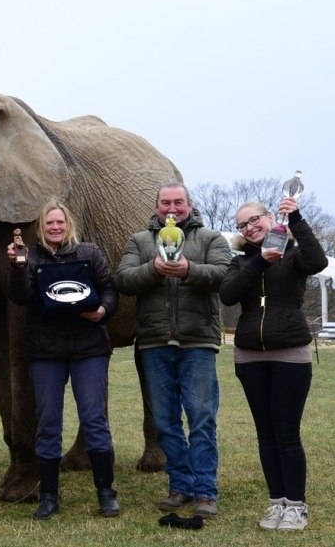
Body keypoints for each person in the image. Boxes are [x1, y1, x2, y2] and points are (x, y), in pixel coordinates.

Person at [114, 182, 231, 519]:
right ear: (156, 207)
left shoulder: (210, 239)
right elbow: (123, 279)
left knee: (201, 419)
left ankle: (206, 490)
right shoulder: (140, 241)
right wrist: (153, 269)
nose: (171, 208)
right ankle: (180, 485)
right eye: (165, 202)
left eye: (178, 202)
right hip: (154, 342)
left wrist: (189, 271)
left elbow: (225, 276)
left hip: (198, 341)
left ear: (189, 205)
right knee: (165, 423)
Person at [5, 199, 120, 519]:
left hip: (88, 348)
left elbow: (110, 290)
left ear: (69, 224)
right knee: (48, 422)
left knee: (95, 419)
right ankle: (49, 496)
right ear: (39, 228)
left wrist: (103, 311)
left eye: (60, 222)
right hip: (46, 351)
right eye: (49, 223)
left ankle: (106, 493)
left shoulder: (90, 253)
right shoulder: (30, 257)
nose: (55, 227)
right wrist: (16, 268)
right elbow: (20, 297)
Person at [219, 197, 326, 531]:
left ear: (269, 218)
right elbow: (228, 294)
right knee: (265, 433)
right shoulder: (239, 263)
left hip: (290, 354)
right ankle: (275, 502)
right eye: (243, 225)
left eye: (255, 220)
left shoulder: (295, 256)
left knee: (287, 433)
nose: (250, 227)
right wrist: (262, 262)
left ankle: (296, 505)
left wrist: (296, 218)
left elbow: (318, 260)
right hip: (250, 356)